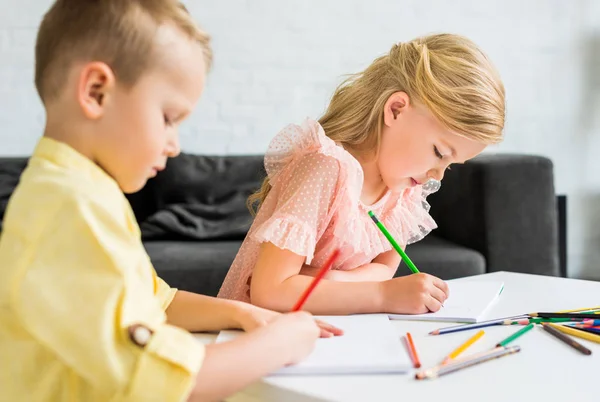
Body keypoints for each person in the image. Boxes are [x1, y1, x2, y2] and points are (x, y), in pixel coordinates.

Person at [218, 33, 505, 316]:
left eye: (451, 164)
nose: (439, 175)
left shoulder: (403, 191)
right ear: (395, 110)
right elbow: (270, 291)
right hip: (262, 337)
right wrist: (381, 295)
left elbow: (384, 269)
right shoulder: (325, 167)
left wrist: (333, 281)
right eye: (440, 153)